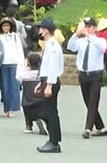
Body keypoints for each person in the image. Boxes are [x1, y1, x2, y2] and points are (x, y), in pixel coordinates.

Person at [67, 17, 107, 139]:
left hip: (95, 75)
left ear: (95, 28)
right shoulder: (81, 41)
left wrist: (89, 35)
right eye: (86, 26)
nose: (87, 28)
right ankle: (100, 127)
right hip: (83, 74)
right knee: (87, 102)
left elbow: (103, 48)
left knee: (93, 102)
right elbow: (71, 46)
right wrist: (76, 34)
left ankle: (88, 129)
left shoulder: (99, 40)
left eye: (89, 26)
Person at [36, 18, 64, 153]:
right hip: (46, 79)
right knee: (49, 111)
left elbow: (53, 67)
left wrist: (49, 85)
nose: (39, 31)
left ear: (46, 30)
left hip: (50, 80)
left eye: (41, 28)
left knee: (51, 112)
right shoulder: (49, 44)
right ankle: (53, 139)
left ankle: (54, 141)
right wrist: (40, 83)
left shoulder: (52, 45)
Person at [0, 17, 25, 118]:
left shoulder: (15, 36)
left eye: (8, 26)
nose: (6, 27)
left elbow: (20, 50)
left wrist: (21, 63)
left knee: (14, 87)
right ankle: (7, 108)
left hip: (14, 63)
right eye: (4, 26)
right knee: (5, 87)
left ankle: (13, 108)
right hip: (3, 64)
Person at [17, 53, 47, 136]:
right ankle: (41, 119)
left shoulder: (25, 75)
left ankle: (29, 125)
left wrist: (24, 67)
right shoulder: (42, 74)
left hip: (27, 102)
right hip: (40, 101)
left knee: (25, 106)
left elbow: (18, 77)